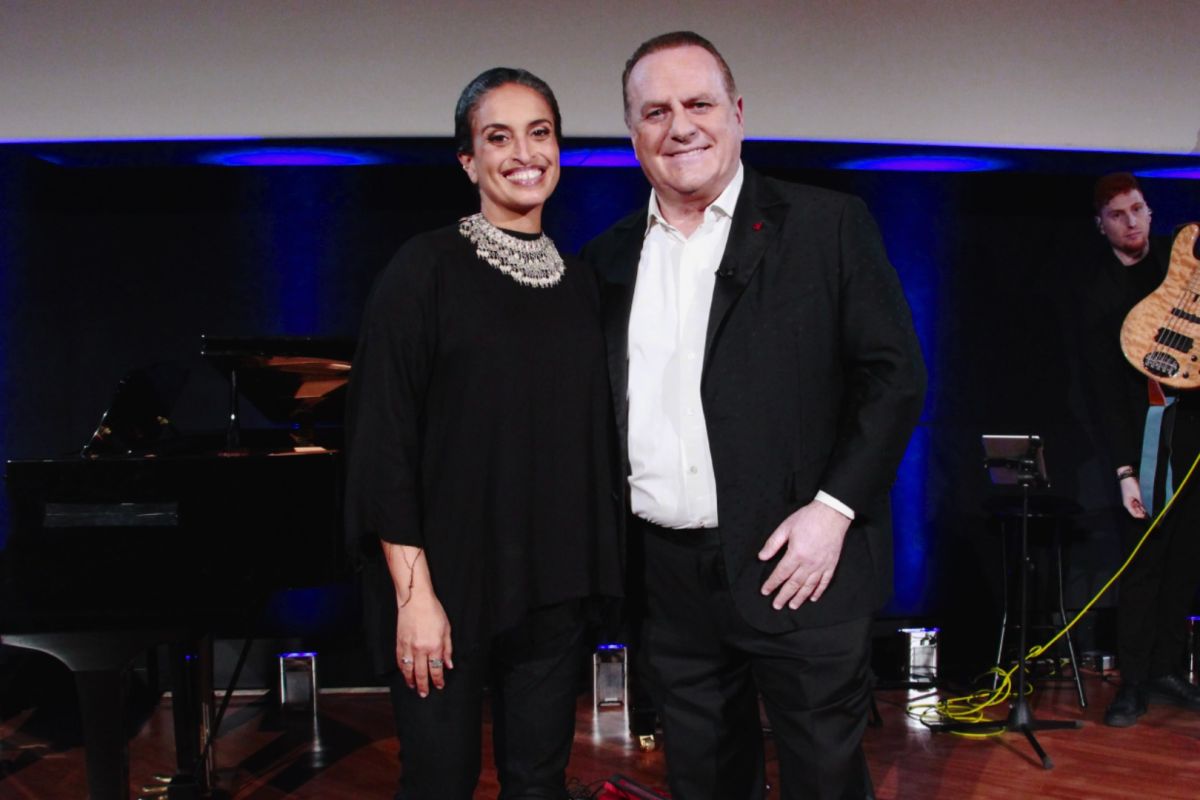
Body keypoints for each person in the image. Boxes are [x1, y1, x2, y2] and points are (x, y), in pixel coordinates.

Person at [582, 31, 926, 800]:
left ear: (736, 113)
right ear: (633, 132)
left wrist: (833, 511)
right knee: (704, 782)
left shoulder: (828, 225)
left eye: (699, 104)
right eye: (655, 112)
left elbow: (895, 377)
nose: (680, 127)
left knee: (824, 782)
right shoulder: (604, 260)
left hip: (800, 567)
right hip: (666, 583)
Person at [345, 67, 622, 799]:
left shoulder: (584, 284)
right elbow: (383, 443)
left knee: (538, 783)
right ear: (469, 161)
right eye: (499, 137)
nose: (524, 153)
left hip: (555, 587)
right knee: (441, 781)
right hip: (446, 588)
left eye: (540, 133)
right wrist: (415, 598)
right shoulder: (424, 269)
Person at [1080, 173, 1200, 727]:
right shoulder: (1098, 295)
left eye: (1137, 209)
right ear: (1101, 225)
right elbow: (1103, 393)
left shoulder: (1181, 263)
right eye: (1117, 215)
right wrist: (1125, 469)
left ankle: (1167, 669)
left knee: (1185, 559)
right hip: (1142, 443)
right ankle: (1132, 681)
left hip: (1193, 434)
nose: (1131, 222)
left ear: (1151, 211)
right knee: (1144, 563)